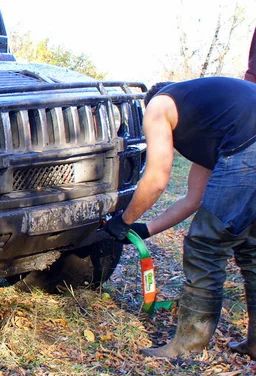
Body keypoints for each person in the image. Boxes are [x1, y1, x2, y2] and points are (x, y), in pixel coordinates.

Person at [104, 77, 256, 359]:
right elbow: (194, 198)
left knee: (205, 247)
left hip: (250, 148)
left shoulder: (158, 105)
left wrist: (123, 220)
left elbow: (158, 178)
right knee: (251, 250)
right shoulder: (212, 119)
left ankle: (187, 347)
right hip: (247, 142)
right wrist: (145, 229)